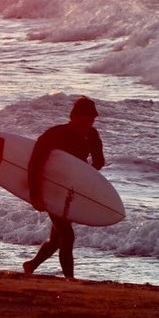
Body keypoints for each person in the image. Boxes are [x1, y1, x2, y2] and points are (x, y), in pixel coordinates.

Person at [23, 96, 105, 280]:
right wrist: (35, 195)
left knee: (56, 239)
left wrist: (84, 177)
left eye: (91, 120)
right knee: (67, 236)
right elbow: (34, 164)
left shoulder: (92, 135)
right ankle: (69, 280)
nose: (88, 124)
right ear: (74, 116)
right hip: (50, 189)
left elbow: (99, 161)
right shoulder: (54, 134)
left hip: (71, 192)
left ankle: (30, 265)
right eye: (85, 119)